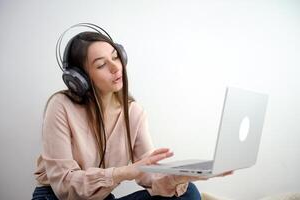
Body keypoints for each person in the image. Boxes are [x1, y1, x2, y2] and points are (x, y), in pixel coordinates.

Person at [32, 25, 232, 200]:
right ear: (79, 78)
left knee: (188, 194)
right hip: (55, 198)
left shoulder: (133, 112)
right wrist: (124, 172)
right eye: (101, 65)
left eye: (115, 56)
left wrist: (184, 176)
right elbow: (64, 187)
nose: (115, 67)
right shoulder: (60, 105)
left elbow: (149, 174)